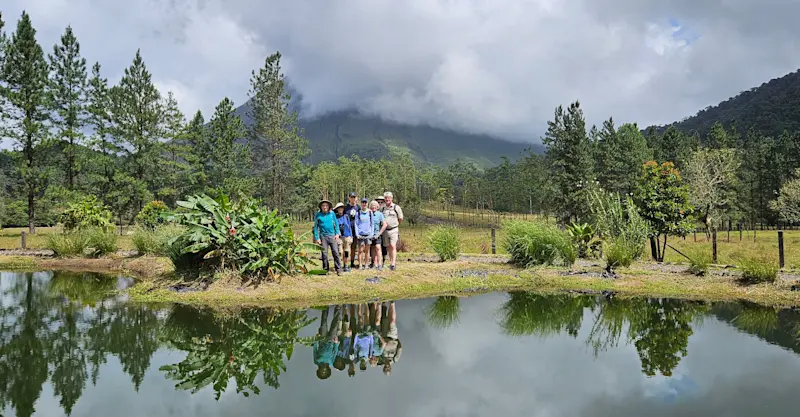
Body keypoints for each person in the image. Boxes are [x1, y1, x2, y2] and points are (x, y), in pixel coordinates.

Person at [313, 199, 342, 275]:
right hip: (323, 237)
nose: (325, 207)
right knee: (324, 254)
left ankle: (338, 269)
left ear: (329, 206)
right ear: (321, 207)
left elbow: (336, 224)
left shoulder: (332, 214)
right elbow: (315, 227)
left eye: (326, 205)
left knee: (335, 252)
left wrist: (337, 234)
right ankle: (325, 270)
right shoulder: (318, 215)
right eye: (323, 205)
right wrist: (317, 238)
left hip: (332, 236)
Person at [313, 306, 341, 380]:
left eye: (321, 372)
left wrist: (316, 340)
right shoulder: (331, 363)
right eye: (325, 373)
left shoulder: (316, 361)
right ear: (328, 371)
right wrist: (336, 343)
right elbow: (335, 352)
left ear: (318, 371)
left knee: (323, 323)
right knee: (335, 325)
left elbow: (315, 350)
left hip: (322, 339)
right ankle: (338, 309)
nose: (323, 371)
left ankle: (325, 308)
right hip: (331, 341)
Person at [381, 192, 404, 271]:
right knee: (388, 247)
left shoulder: (396, 207)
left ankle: (393, 263)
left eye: (389, 198)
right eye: (386, 198)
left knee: (393, 245)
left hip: (393, 229)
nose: (387, 199)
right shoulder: (383, 208)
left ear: (391, 198)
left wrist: (395, 224)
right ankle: (391, 262)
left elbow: (400, 218)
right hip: (385, 231)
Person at [381, 301, 402, 376]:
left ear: (383, 368)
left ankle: (384, 304)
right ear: (390, 368)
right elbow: (399, 348)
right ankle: (392, 303)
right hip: (393, 337)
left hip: (384, 336)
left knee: (384, 319)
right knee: (392, 322)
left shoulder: (382, 359)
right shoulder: (395, 359)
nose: (387, 368)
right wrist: (396, 340)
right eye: (388, 369)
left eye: (386, 369)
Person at [353, 198, 374, 270]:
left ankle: (366, 265)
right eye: (363, 202)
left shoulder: (370, 213)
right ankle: (360, 265)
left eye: (365, 202)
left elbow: (372, 224)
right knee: (360, 250)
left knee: (367, 251)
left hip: (368, 234)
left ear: (367, 203)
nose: (364, 204)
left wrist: (372, 233)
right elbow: (356, 224)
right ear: (361, 203)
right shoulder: (358, 213)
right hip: (360, 234)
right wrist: (357, 234)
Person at [333, 203, 353, 272]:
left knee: (347, 252)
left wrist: (351, 236)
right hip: (339, 237)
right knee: (340, 252)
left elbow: (349, 226)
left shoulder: (346, 216)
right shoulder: (335, 217)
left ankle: (346, 265)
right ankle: (339, 265)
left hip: (347, 236)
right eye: (339, 208)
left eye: (341, 208)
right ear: (337, 209)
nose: (340, 209)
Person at [370, 200, 387, 270]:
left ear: (377, 207)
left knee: (378, 248)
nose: (373, 207)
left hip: (377, 235)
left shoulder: (380, 214)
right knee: (372, 248)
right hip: (369, 235)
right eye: (372, 206)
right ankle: (374, 263)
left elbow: (385, 224)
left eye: (375, 206)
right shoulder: (368, 213)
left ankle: (380, 264)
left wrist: (379, 234)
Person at [345, 192, 360, 269]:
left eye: (354, 197)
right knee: (347, 247)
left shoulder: (358, 207)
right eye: (351, 197)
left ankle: (352, 262)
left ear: (356, 198)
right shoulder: (345, 208)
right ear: (349, 198)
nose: (353, 199)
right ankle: (346, 263)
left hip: (355, 230)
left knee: (354, 247)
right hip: (347, 230)